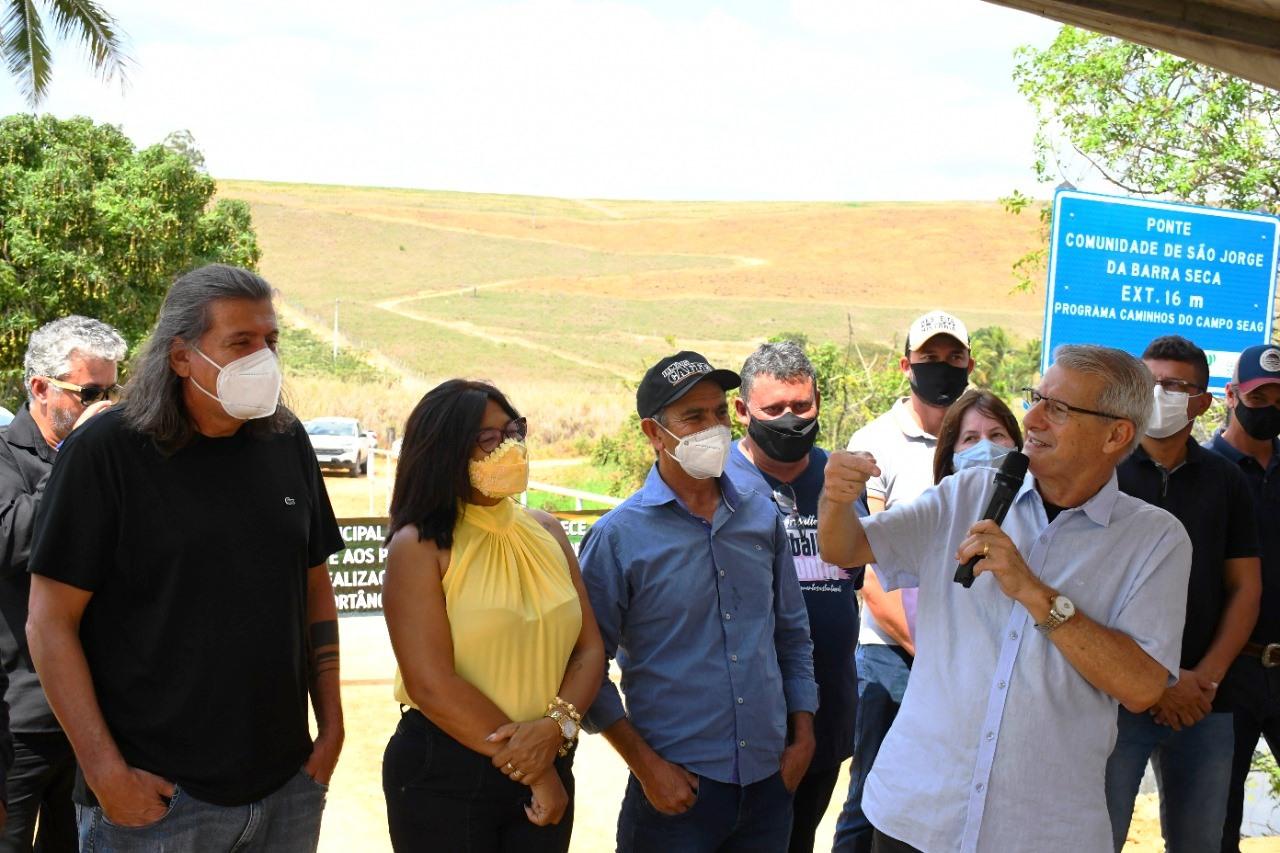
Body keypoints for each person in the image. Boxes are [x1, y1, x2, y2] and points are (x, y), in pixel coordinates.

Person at [819, 344, 1192, 853]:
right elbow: (845, 548)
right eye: (1036, 398)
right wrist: (835, 500)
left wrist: (1035, 593)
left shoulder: (1155, 539)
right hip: (917, 812)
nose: (1033, 417)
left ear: (1117, 434)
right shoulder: (966, 493)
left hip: (1042, 830)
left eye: (1058, 408)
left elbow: (1143, 687)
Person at [25, 264, 345, 853]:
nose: (263, 358)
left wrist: (331, 729)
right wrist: (105, 773)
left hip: (285, 789)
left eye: (270, 341)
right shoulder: (106, 453)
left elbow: (314, 584)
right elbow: (49, 622)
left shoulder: (285, 440)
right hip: (158, 801)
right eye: (241, 342)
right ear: (180, 356)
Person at [580, 351, 818, 852]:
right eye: (693, 417)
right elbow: (583, 669)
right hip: (675, 795)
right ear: (652, 433)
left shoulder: (760, 517)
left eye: (717, 413)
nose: (712, 428)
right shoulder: (619, 538)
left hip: (768, 785)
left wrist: (802, 735)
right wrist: (647, 769)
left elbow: (791, 635)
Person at [381, 379, 604, 853]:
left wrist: (555, 730)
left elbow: (588, 650)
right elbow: (431, 684)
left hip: (549, 752)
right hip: (447, 770)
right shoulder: (419, 545)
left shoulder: (547, 529)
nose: (509, 447)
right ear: (445, 451)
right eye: (489, 439)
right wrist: (537, 769)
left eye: (513, 430)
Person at [1103, 336, 1260, 853]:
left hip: (1202, 701)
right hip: (1112, 697)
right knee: (1094, 838)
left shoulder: (1227, 480)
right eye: (1148, 383)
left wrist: (1203, 679)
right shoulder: (1103, 473)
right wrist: (1150, 683)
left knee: (1201, 843)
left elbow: (1244, 588)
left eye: (1174, 386)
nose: (1158, 394)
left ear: (1202, 401)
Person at [833, 310, 974, 853]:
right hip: (892, 653)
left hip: (967, 653)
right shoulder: (876, 442)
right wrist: (922, 646)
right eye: (930, 358)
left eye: (953, 357)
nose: (943, 367)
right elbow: (867, 567)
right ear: (906, 365)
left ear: (969, 362)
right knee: (872, 794)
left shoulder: (981, 436)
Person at [723, 341, 862, 853]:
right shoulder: (715, 484)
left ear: (818, 401)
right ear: (742, 412)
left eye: (800, 407)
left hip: (827, 715)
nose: (789, 420)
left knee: (797, 841)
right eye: (774, 409)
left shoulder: (842, 479)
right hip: (741, 723)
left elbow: (854, 579)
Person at [0, 316, 125, 853]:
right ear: (40, 387)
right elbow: (11, 539)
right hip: (19, 722)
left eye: (111, 391)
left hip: (94, 717)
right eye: (89, 393)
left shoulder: (112, 460)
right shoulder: (7, 455)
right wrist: (76, 458)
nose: (102, 403)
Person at [1205, 343, 1280, 853]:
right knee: (1214, 825)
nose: (1271, 408)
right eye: (1260, 396)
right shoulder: (1203, 473)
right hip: (1227, 675)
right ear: (1232, 396)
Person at [930, 389, 1023, 485]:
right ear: (951, 459)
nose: (986, 449)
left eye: (996, 435)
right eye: (970, 438)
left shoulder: (1035, 499)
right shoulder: (932, 499)